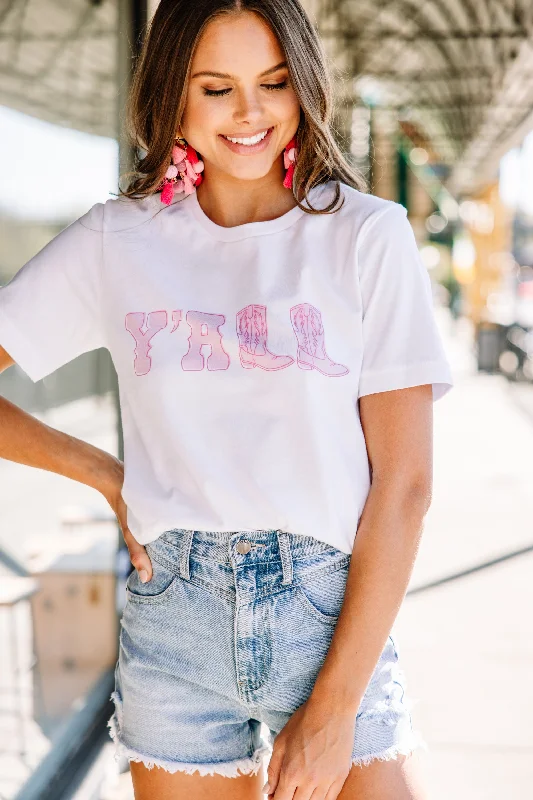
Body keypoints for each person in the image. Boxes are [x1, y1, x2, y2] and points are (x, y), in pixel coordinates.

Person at [0, 1, 454, 798]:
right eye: (216, 88)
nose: (250, 114)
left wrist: (336, 704)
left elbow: (405, 486)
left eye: (273, 82)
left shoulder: (365, 236)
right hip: (174, 619)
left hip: (328, 611)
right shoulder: (119, 240)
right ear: (171, 92)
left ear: (304, 85)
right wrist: (104, 474)